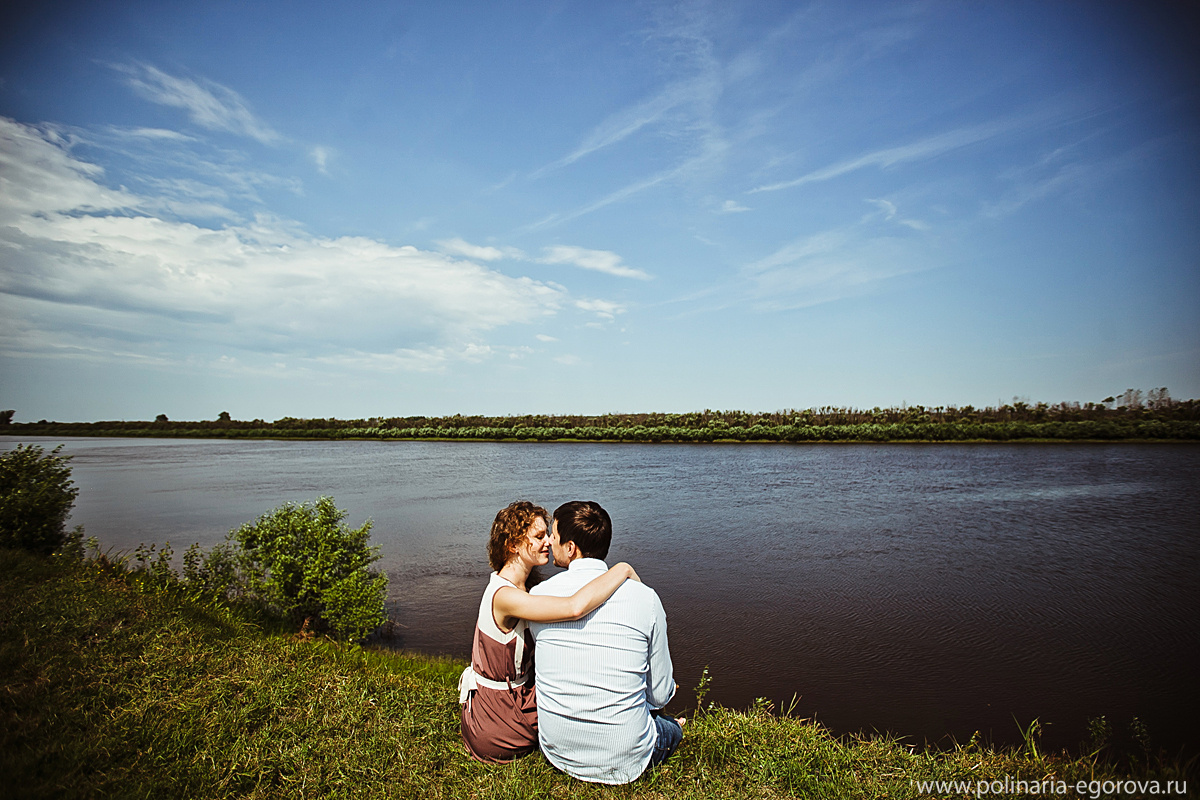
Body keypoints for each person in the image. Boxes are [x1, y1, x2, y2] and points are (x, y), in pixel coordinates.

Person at [459, 500, 640, 764]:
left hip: (497, 709)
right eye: (539, 536)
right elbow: (574, 608)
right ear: (513, 545)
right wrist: (622, 570)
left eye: (548, 535)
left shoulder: (520, 587)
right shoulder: (505, 596)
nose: (549, 542)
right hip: (501, 721)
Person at [529, 500, 682, 784]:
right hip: (626, 757)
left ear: (571, 548)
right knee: (671, 728)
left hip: (557, 749)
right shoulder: (645, 598)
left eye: (553, 535)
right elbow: (660, 696)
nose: (548, 541)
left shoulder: (538, 598)